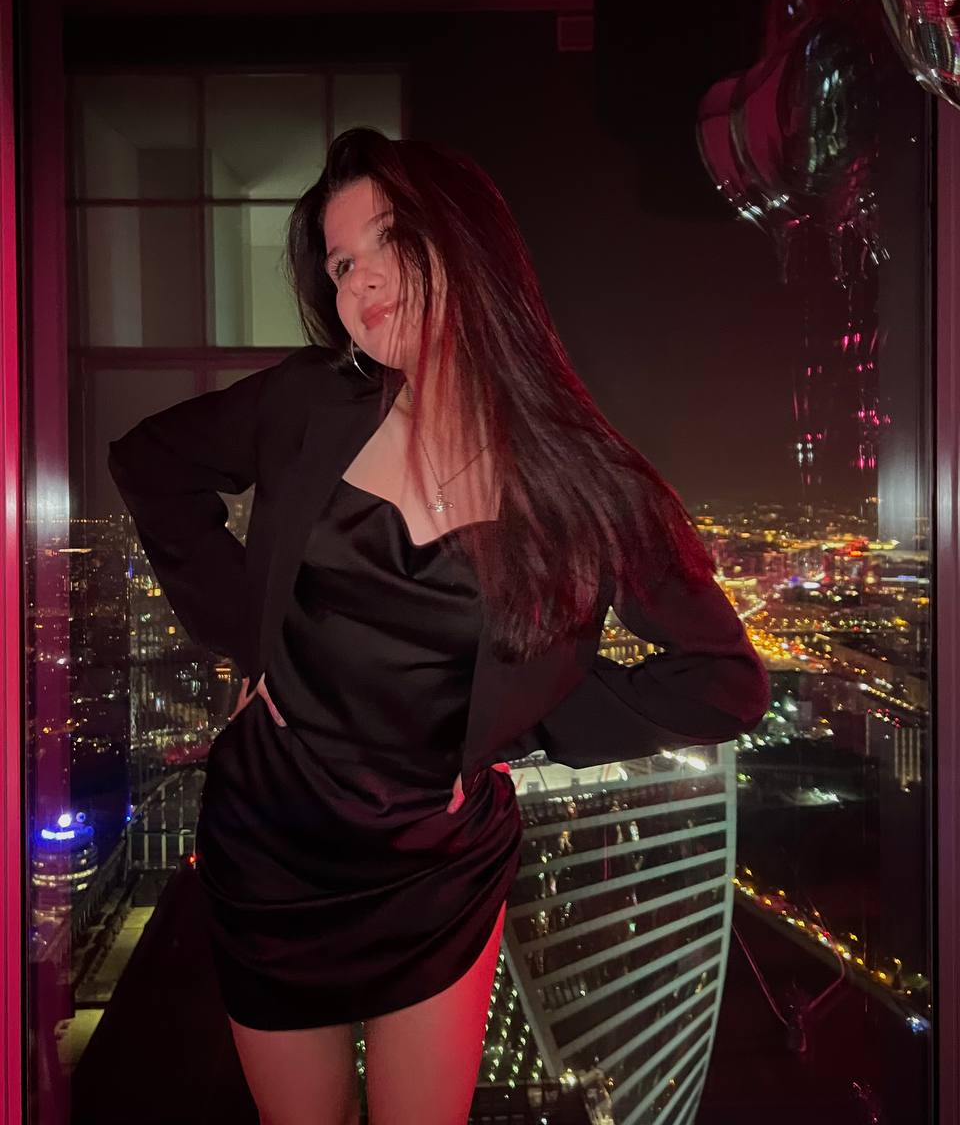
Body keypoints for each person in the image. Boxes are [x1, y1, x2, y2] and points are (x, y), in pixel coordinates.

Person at [107, 127, 769, 1125]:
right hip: (272, 843)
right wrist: (254, 640)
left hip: (437, 867)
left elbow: (724, 679)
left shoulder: (583, 475)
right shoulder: (308, 402)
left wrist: (520, 719)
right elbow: (152, 466)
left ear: (465, 241)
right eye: (340, 264)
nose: (360, 281)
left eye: (388, 239)